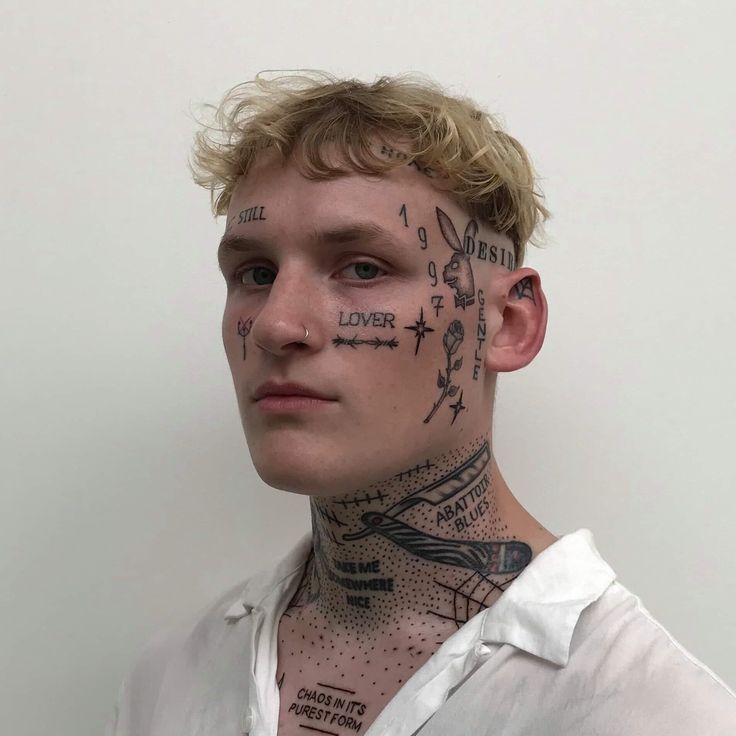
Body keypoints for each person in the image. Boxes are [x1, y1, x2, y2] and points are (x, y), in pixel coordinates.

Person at [104, 71, 736, 736]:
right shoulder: (171, 678)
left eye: (363, 268)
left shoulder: (654, 716)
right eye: (256, 274)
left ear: (507, 324)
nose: (276, 324)